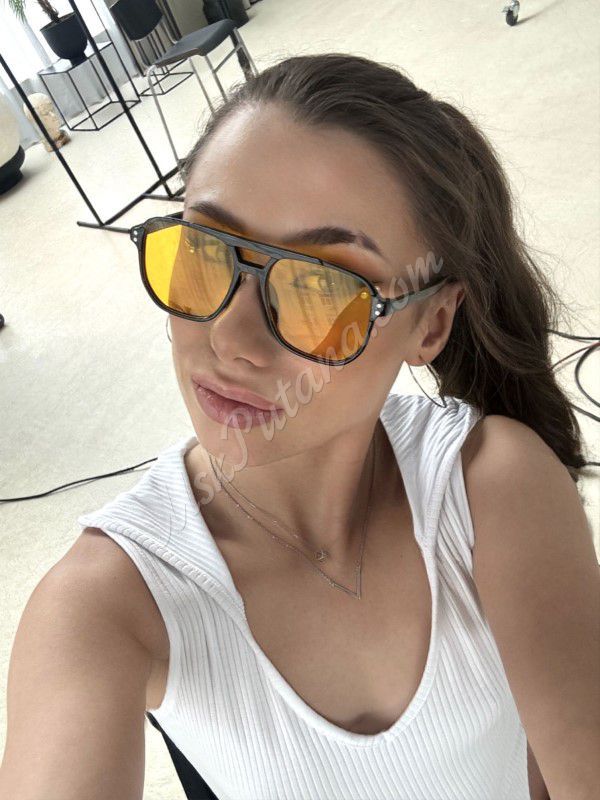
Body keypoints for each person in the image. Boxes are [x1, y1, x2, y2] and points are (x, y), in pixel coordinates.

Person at [1, 52, 598, 800]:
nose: (231, 340)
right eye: (204, 252)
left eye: (322, 288)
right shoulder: (101, 607)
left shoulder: (490, 488)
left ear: (431, 324)